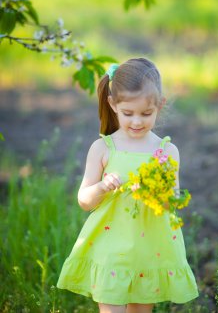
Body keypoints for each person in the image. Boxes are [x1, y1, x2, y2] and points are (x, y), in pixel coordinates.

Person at [57, 58, 199, 313]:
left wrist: (155, 193)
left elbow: (173, 203)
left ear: (159, 105)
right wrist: (102, 187)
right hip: (110, 247)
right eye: (128, 113)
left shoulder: (166, 151)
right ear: (113, 105)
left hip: (150, 249)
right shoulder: (103, 148)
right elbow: (84, 200)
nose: (136, 122)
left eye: (146, 114)